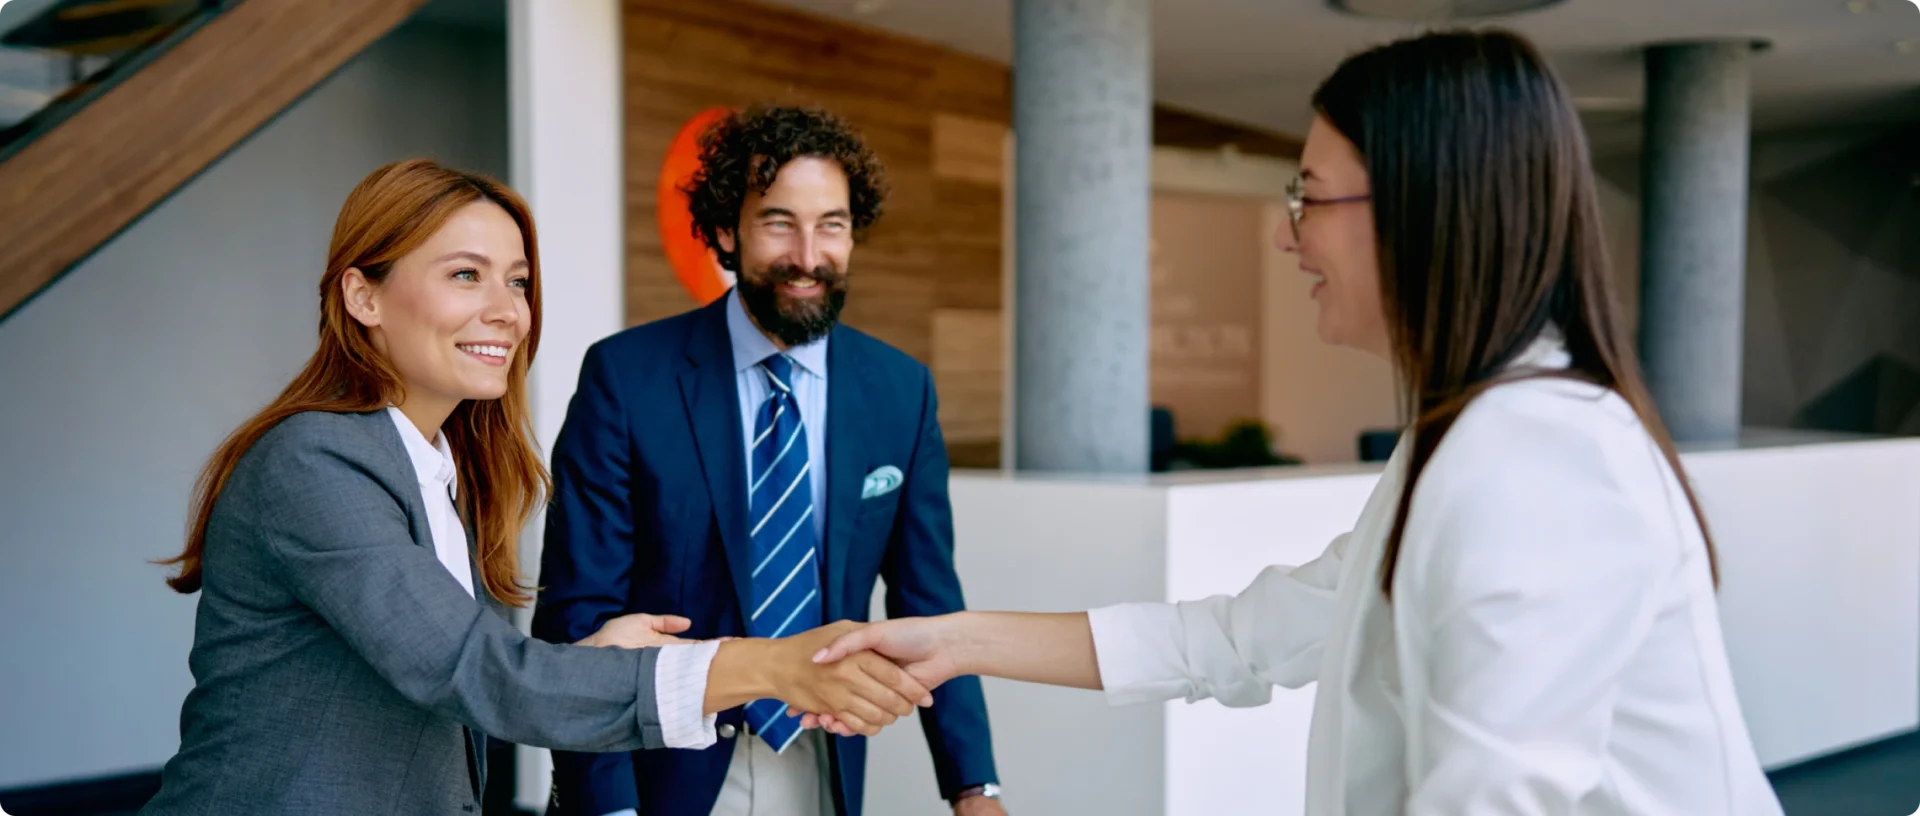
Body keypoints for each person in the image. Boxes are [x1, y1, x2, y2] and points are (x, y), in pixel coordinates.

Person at [811, 30, 1785, 816]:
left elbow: (1494, 795)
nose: (1286, 232)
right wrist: (956, 642)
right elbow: (1240, 639)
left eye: (1309, 198)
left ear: (1420, 211)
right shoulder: (1464, 439)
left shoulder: (1543, 455)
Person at [142, 159, 932, 816]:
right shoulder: (313, 464)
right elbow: (477, 672)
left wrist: (589, 660)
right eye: (465, 275)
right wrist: (769, 666)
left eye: (517, 282)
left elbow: (469, 670)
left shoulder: (438, 468)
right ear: (363, 296)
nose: (507, 311)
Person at [532, 106, 1002, 816]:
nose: (809, 255)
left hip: (823, 764)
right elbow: (579, 617)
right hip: (663, 771)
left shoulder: (902, 391)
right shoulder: (626, 378)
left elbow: (929, 600)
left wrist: (975, 786)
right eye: (780, 221)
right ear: (727, 229)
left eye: (832, 225)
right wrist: (609, 808)